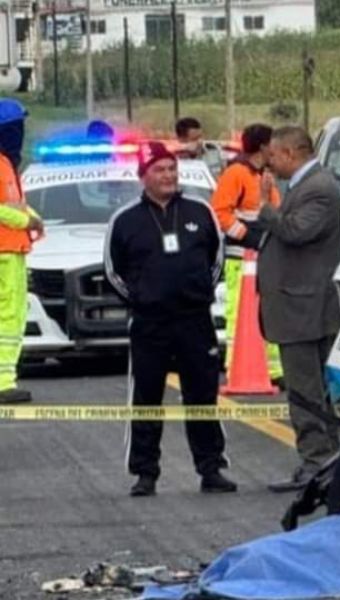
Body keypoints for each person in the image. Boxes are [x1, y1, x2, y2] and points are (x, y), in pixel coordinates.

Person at [104, 141, 237, 497]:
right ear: (143, 176)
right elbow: (112, 270)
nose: (168, 176)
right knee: (147, 397)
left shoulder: (199, 212)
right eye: (159, 170)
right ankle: (145, 472)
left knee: (203, 396)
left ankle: (211, 468)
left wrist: (196, 295)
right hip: (150, 325)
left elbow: (217, 260)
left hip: (195, 321)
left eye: (171, 169)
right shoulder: (125, 221)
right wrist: (142, 300)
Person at [241, 127, 340, 493]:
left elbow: (296, 231)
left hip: (306, 310)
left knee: (307, 392)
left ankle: (319, 464)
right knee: (308, 391)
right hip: (298, 307)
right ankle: (320, 462)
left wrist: (266, 209)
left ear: (289, 153)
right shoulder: (305, 186)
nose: (269, 163)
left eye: (273, 157)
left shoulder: (319, 188)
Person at [209, 124, 283, 383]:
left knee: (267, 310)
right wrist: (246, 235)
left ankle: (271, 369)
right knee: (238, 313)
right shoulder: (236, 174)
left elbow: (274, 210)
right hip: (240, 258)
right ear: (263, 146)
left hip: (263, 255)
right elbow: (220, 212)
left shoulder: (262, 175)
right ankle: (236, 365)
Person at [0, 100, 43, 405]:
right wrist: (25, 220)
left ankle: (6, 378)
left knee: (12, 315)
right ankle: (3, 382)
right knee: (7, 316)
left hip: (12, 249)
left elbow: (14, 203)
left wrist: (33, 217)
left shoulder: (7, 164)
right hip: (3, 250)